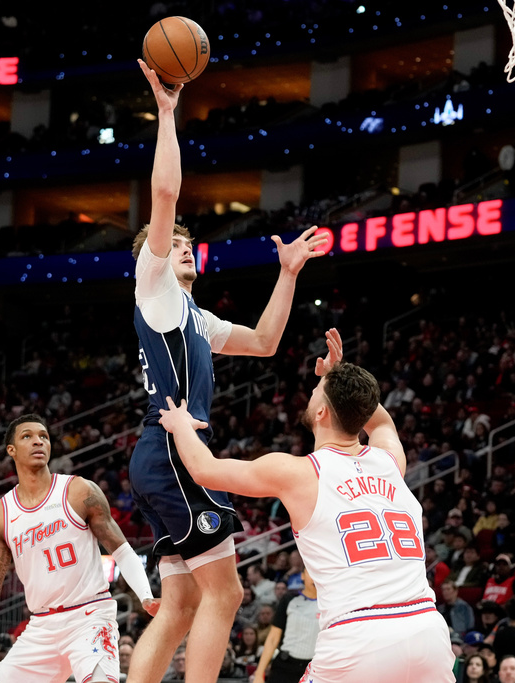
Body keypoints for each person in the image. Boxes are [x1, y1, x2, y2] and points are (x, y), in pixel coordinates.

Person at [127, 59, 327, 683]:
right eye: (172, 244)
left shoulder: (194, 315)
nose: (181, 247)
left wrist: (287, 274)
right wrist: (166, 114)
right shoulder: (155, 286)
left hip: (163, 454)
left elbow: (266, 342)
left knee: (185, 601)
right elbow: (165, 194)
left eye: (188, 245)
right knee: (228, 594)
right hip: (174, 452)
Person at [157, 334, 455, 682]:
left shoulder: (298, 472)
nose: (313, 390)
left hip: (358, 634)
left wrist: (179, 425)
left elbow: (204, 470)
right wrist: (341, 377)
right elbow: (382, 422)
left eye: (317, 389)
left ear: (321, 411)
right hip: (426, 629)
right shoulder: (390, 460)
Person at [0, 414, 159, 683]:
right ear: (11, 450)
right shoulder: (0, 514)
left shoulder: (78, 490)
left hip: (89, 615)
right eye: (27, 436)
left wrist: (145, 595)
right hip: (42, 625)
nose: (38, 441)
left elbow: (121, 549)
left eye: (43, 436)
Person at [253, 567, 319, 683]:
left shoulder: (329, 604)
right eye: (310, 572)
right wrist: (259, 672)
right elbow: (273, 638)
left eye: (318, 573)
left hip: (315, 669)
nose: (314, 577)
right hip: (285, 666)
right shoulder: (289, 600)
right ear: (302, 576)